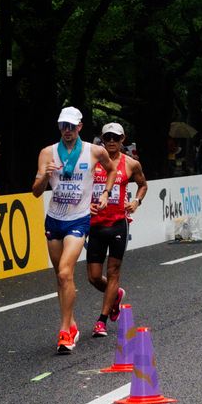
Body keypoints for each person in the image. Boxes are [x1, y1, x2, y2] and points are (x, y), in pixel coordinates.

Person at [32, 107, 102, 354]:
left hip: (78, 219)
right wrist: (45, 176)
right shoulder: (47, 153)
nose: (68, 131)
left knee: (65, 272)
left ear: (80, 126)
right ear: (59, 127)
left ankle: (64, 332)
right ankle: (71, 324)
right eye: (64, 126)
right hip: (54, 220)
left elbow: (112, 169)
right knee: (61, 278)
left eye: (72, 126)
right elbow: (36, 191)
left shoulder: (93, 151)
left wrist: (103, 194)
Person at [87, 122, 147, 337]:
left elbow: (143, 185)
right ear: (102, 139)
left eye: (116, 138)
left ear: (123, 140)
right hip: (95, 224)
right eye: (108, 137)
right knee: (94, 277)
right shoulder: (92, 163)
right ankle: (115, 295)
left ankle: (101, 321)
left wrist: (137, 202)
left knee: (113, 271)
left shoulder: (131, 164)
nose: (111, 141)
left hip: (117, 224)